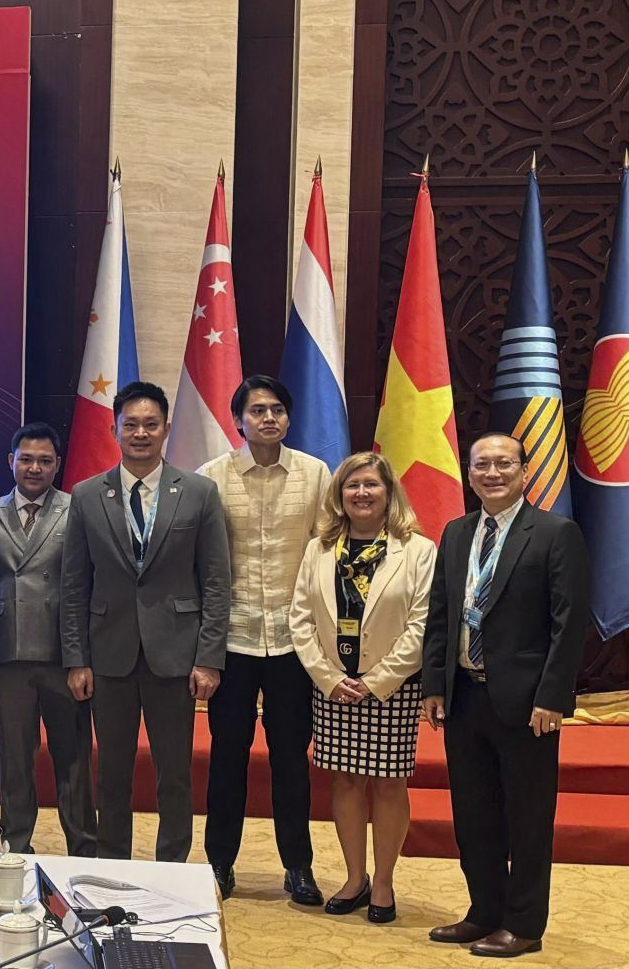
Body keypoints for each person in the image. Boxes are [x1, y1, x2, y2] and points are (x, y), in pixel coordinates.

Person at [422, 434, 589, 958]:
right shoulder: (456, 533)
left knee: (528, 819)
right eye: (481, 465)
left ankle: (524, 924)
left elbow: (569, 623)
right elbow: (441, 615)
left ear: (524, 471)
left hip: (527, 703)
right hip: (464, 698)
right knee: (474, 817)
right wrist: (434, 684)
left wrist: (552, 696)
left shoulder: (556, 533)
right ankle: (484, 912)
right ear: (469, 473)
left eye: (503, 464)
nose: (492, 473)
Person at [61, 381, 230, 862]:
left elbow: (216, 582)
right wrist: (76, 659)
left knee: (173, 773)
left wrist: (209, 659)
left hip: (175, 655)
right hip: (108, 655)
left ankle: (171, 865)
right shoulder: (87, 495)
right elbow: (74, 585)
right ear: (114, 429)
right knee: (111, 773)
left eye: (150, 424)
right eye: (130, 424)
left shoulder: (198, 492)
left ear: (166, 429)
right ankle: (114, 864)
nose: (140, 433)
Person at [195, 375, 329, 902]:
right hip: (232, 639)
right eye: (257, 410)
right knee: (227, 757)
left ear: (289, 418)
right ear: (238, 420)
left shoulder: (315, 474)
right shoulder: (211, 478)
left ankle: (298, 866)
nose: (268, 418)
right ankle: (219, 864)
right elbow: (201, 563)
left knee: (291, 759)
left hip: (294, 642)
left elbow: (325, 552)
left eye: (277, 409)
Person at [288, 451, 435, 923]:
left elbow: (422, 625)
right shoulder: (319, 548)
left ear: (389, 493)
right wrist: (328, 678)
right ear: (339, 495)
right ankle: (355, 878)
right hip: (334, 688)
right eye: (352, 485)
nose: (362, 493)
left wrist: (377, 681)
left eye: (372, 484)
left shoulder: (418, 550)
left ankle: (384, 882)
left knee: (389, 784)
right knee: (346, 780)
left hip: (391, 688)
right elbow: (300, 619)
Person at [0, 422, 94, 856]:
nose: (34, 468)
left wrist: (83, 657)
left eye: (45, 461)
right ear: (11, 461)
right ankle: (15, 846)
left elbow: (88, 584)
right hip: (6, 651)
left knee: (74, 758)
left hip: (64, 653)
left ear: (57, 464)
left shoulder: (76, 509)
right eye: (26, 459)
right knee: (14, 759)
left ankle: (83, 847)